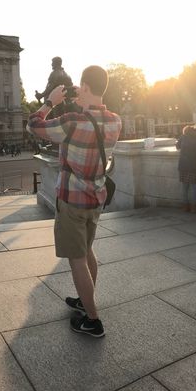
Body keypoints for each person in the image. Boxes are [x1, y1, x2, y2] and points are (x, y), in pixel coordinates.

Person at [27, 65, 122, 339]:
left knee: (77, 259)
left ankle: (93, 320)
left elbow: (33, 125)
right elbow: (93, 125)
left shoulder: (71, 122)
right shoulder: (115, 121)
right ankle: (85, 299)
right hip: (96, 198)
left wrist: (50, 102)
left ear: (87, 87)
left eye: (82, 86)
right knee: (88, 250)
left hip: (72, 199)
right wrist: (82, 101)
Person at [176, 122, 196, 213]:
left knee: (184, 187)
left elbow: (177, 146)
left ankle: (185, 206)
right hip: (193, 165)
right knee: (194, 188)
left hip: (182, 165)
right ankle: (194, 207)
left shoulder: (184, 135)